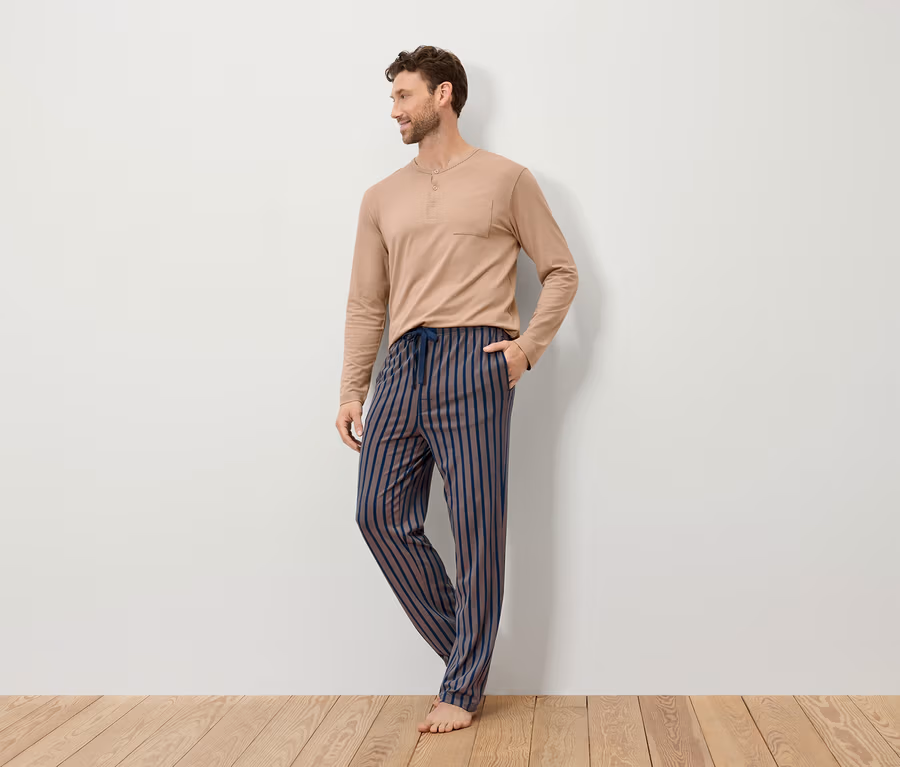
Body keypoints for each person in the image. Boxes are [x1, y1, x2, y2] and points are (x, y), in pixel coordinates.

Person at [335, 45, 578, 735]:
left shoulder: (507, 180)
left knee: (476, 528)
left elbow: (561, 270)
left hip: (476, 358)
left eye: (404, 96)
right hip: (403, 362)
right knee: (378, 514)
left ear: (443, 95)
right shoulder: (381, 196)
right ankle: (468, 660)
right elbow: (366, 302)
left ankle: (463, 686)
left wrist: (526, 349)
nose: (394, 110)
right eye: (392, 98)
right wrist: (353, 386)